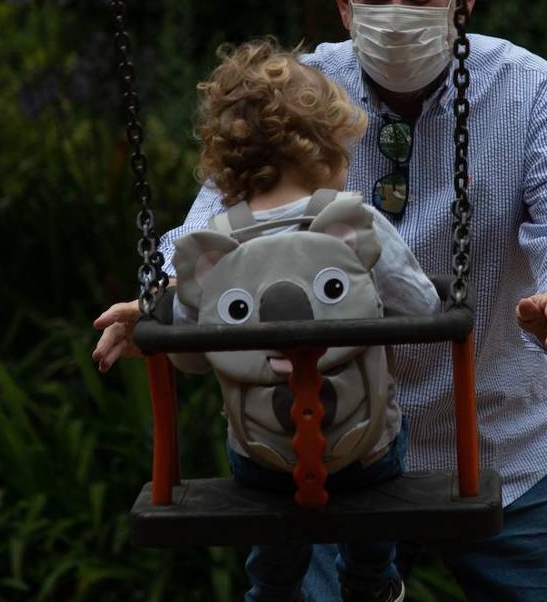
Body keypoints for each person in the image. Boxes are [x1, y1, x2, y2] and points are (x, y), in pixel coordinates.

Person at [96, 0, 547, 600]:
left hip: (501, 442)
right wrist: (160, 301)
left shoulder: (533, 93)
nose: (397, 10)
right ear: (343, 0)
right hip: (323, 450)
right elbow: (210, 227)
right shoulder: (297, 96)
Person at [94, 39, 438, 602]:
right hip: (364, 449)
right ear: (328, 151)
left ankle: (271, 591)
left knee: (271, 521)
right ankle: (372, 578)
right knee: (384, 470)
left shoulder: (211, 248)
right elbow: (421, 311)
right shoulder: (357, 225)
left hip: (262, 455)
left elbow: (190, 359)